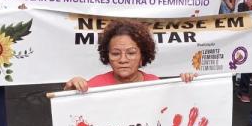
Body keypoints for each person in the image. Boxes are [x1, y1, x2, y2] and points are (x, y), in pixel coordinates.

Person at [65, 19, 195, 91]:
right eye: (115, 54)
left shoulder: (154, 84)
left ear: (142, 55)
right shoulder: (92, 86)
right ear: (107, 56)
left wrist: (189, 85)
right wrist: (71, 90)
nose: (123, 60)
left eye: (131, 53)